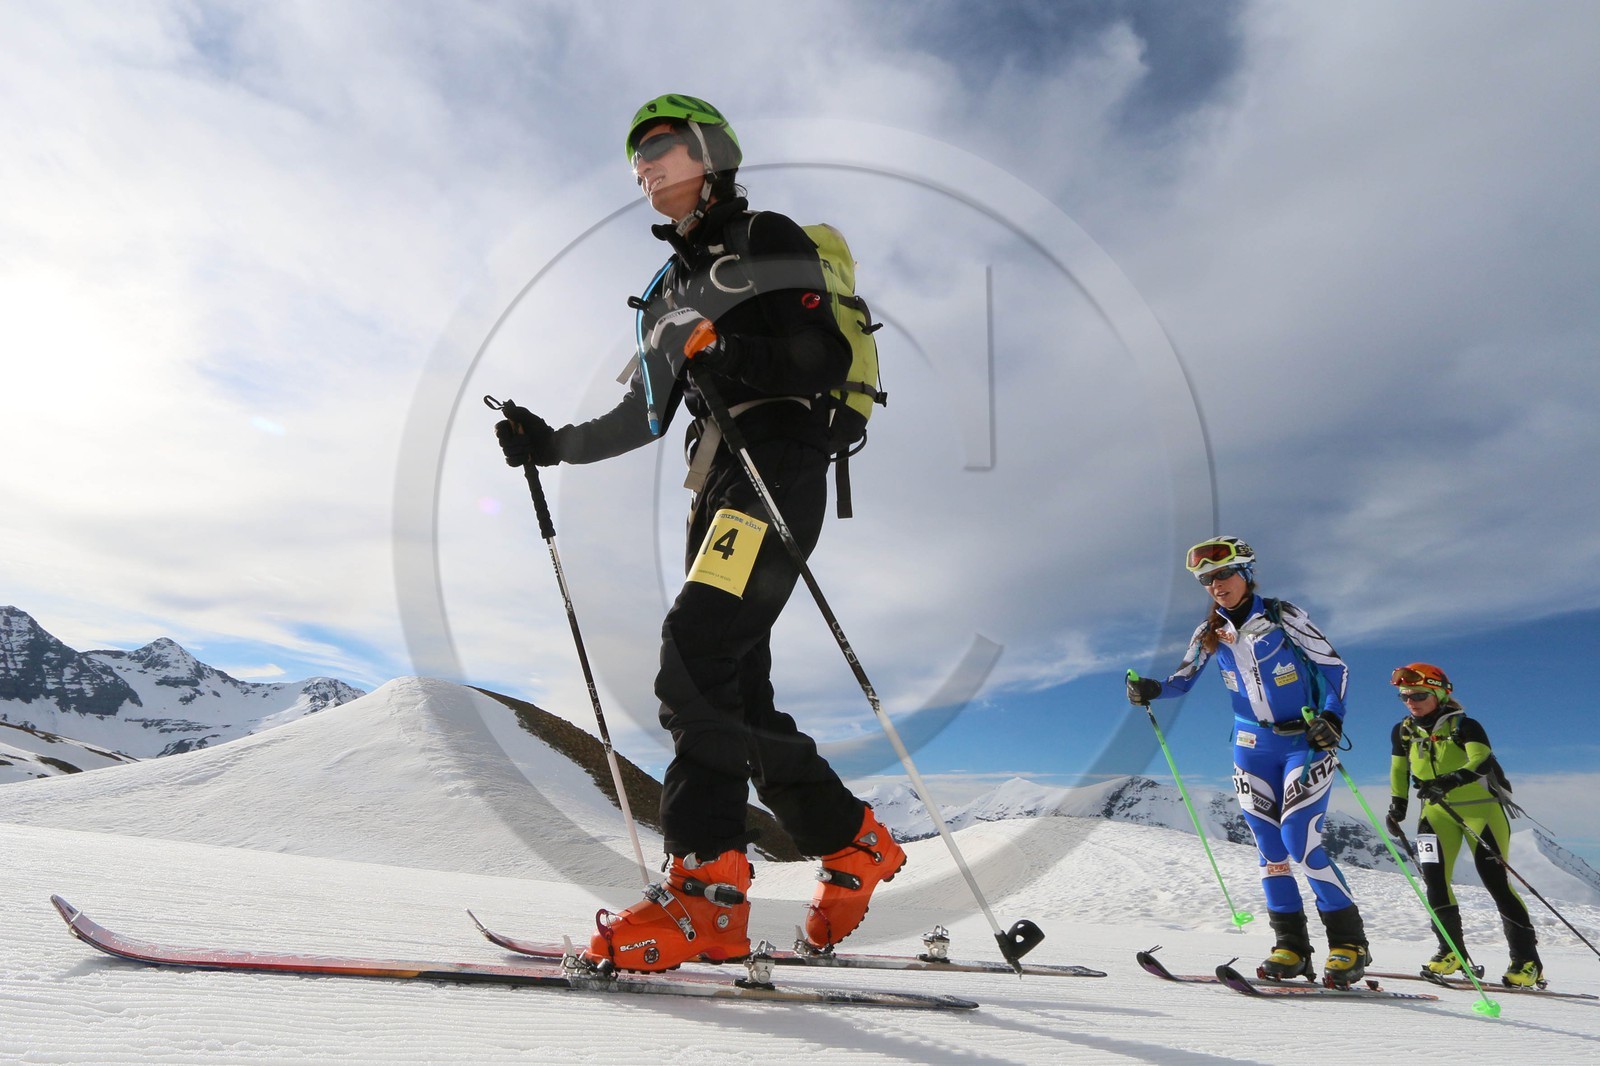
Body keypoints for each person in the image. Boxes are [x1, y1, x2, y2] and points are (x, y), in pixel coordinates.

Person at [493, 94, 903, 972]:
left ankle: (707, 897)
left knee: (693, 651)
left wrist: (724, 351)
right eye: (638, 159)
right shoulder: (667, 292)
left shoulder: (764, 238)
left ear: (711, 154)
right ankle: (852, 843)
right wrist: (550, 445)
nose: (648, 167)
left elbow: (822, 358)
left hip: (779, 461)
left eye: (665, 148)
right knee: (734, 692)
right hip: (718, 483)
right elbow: (644, 415)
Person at [1126, 536, 1372, 986]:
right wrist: (1152, 689)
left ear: (1246, 572)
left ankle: (1349, 944)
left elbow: (1337, 668)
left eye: (1223, 574)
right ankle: (1291, 947)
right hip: (1250, 744)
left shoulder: (1283, 615)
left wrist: (1332, 718)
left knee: (1301, 840)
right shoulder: (1208, 633)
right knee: (1270, 850)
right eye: (1206, 580)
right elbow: (1181, 681)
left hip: (1305, 739)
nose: (1215, 585)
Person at [1386, 663, 1543, 988]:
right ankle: (1450, 951)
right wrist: (1398, 804)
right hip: (1434, 812)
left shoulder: (1465, 725)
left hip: (1481, 812)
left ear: (1440, 694)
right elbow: (1399, 768)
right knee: (1435, 883)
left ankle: (1528, 962)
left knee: (1496, 883)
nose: (1411, 701)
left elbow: (1481, 760)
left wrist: (1450, 780)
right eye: (1405, 696)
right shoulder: (1403, 730)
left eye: (1419, 695)